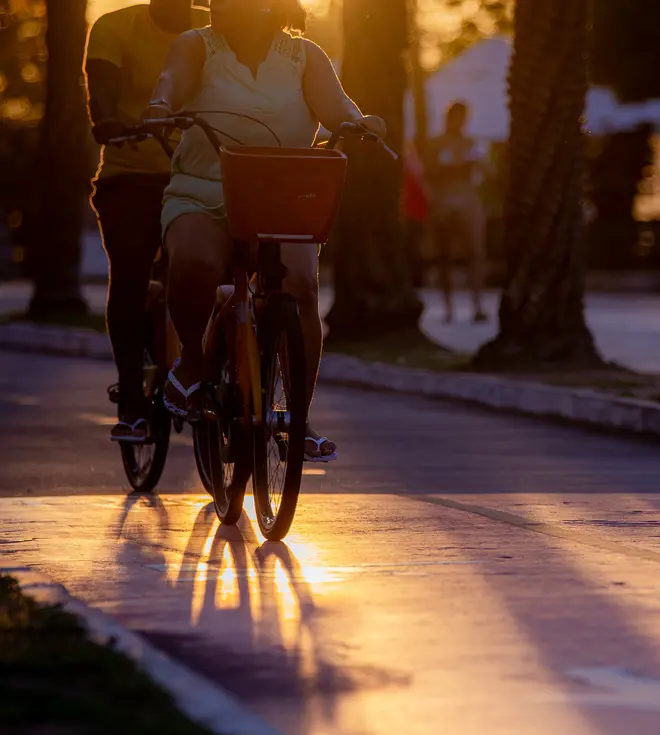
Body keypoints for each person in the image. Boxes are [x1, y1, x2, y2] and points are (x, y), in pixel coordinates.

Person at [145, 0, 385, 463]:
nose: (218, 7)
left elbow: (336, 104)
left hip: (282, 198)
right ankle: (193, 360)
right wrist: (160, 105)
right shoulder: (196, 45)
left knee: (300, 290)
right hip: (203, 191)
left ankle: (298, 419)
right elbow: (170, 82)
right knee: (195, 262)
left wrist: (357, 121)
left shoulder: (304, 55)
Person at [85, 0, 207, 443]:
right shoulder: (115, 27)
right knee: (132, 272)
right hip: (132, 174)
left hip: (198, 173)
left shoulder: (215, 32)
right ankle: (133, 399)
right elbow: (102, 90)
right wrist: (107, 119)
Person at [425, 101, 489, 324]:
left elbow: (487, 170)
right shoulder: (436, 144)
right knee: (444, 255)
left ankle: (477, 304)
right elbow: (428, 172)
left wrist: (473, 163)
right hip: (444, 200)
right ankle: (448, 306)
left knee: (476, 252)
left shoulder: (472, 143)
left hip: (467, 198)